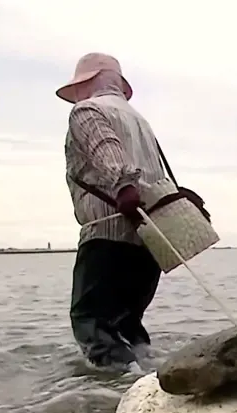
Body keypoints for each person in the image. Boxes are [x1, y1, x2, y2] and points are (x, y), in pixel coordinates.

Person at [57, 52, 169, 372]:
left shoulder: (88, 110)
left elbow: (105, 146)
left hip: (108, 233)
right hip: (150, 238)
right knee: (128, 321)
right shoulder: (139, 120)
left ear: (89, 81)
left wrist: (123, 186)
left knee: (90, 320)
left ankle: (120, 386)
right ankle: (150, 375)